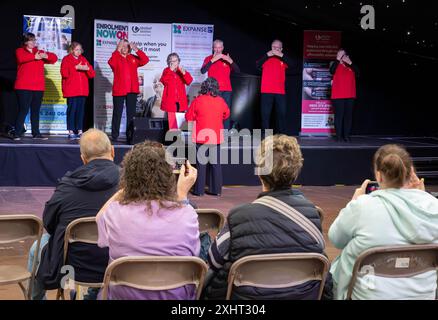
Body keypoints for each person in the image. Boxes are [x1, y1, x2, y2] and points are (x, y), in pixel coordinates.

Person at [203, 135, 331, 299]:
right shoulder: (312, 213)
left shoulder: (239, 217)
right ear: (296, 172)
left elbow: (213, 261)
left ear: (260, 173)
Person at [329, 144, 438, 300]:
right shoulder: (434, 207)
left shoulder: (362, 206)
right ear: (410, 173)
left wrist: (353, 203)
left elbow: (336, 240)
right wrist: (423, 197)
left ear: (379, 176)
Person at [96, 141, 200, 300]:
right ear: (168, 176)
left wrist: (126, 188)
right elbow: (194, 254)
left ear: (128, 177)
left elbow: (99, 221)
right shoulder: (188, 214)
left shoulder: (114, 212)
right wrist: (182, 195)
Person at [27, 129, 119, 299]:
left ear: (83, 158)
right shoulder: (131, 186)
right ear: (112, 150)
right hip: (117, 264)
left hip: (71, 265)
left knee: (37, 247)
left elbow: (49, 224)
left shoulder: (67, 186)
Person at [185, 77, 230, 196]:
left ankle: (199, 191)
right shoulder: (221, 100)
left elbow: (188, 117)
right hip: (216, 137)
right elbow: (226, 114)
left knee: (201, 164)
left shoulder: (198, 100)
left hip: (201, 137)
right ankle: (216, 190)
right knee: (216, 164)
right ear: (216, 87)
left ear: (204, 87)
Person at [13, 32, 58, 140]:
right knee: (23, 110)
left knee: (35, 111)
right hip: (23, 87)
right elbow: (21, 59)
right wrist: (35, 56)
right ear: (25, 41)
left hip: (38, 87)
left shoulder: (39, 51)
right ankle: (17, 133)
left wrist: (46, 55)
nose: (33, 42)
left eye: (34, 40)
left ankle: (36, 133)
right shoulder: (20, 51)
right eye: (30, 40)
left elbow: (54, 58)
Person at [108, 39, 149, 141]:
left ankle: (130, 135)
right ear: (119, 47)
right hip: (119, 90)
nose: (125, 48)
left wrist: (136, 49)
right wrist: (117, 48)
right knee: (117, 113)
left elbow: (145, 60)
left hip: (132, 90)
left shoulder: (133, 58)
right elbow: (111, 63)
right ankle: (114, 136)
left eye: (127, 46)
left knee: (131, 114)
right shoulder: (116, 57)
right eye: (123, 46)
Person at [256, 39, 295, 135]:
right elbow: (257, 65)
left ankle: (282, 135)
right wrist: (266, 55)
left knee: (282, 114)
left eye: (278, 48)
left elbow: (293, 65)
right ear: (271, 47)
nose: (275, 49)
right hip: (266, 90)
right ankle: (266, 135)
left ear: (281, 49)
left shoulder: (283, 60)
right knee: (265, 114)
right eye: (274, 47)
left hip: (280, 91)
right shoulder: (266, 58)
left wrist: (281, 55)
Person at [201, 39, 240, 130]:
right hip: (213, 90)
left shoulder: (226, 59)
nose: (218, 50)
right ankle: (212, 132)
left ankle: (225, 135)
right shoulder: (208, 58)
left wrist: (230, 61)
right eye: (216, 47)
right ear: (213, 48)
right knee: (212, 112)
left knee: (225, 112)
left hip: (227, 90)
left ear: (222, 48)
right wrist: (212, 60)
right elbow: (203, 71)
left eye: (219, 47)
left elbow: (238, 71)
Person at [61, 42, 95, 140]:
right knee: (72, 110)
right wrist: (75, 67)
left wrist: (87, 68)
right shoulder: (66, 59)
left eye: (80, 49)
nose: (78, 51)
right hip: (71, 90)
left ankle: (80, 130)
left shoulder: (83, 59)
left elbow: (92, 74)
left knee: (81, 111)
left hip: (82, 91)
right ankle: (71, 131)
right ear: (72, 50)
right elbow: (64, 73)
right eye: (76, 49)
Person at [329, 49, 359, 142]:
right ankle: (338, 136)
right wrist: (337, 60)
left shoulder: (350, 65)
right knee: (339, 116)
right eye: (338, 55)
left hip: (350, 95)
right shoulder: (334, 64)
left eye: (342, 55)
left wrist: (350, 62)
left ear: (346, 56)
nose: (340, 57)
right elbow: (332, 71)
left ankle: (346, 136)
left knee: (348, 116)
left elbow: (358, 74)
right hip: (338, 95)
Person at [160, 53, 193, 130]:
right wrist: (170, 70)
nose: (174, 63)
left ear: (178, 61)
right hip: (170, 102)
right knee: (171, 125)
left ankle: (178, 140)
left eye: (176, 60)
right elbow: (164, 81)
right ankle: (171, 140)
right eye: (172, 61)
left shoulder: (181, 71)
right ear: (169, 63)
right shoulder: (166, 70)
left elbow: (189, 81)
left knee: (180, 124)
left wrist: (184, 73)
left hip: (180, 102)